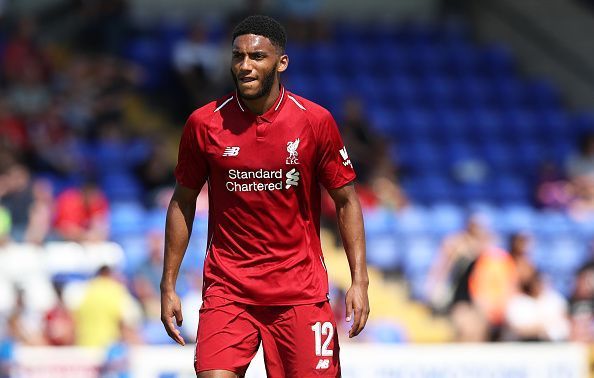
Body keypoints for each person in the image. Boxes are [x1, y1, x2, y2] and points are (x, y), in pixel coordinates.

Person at [160, 15, 369, 378]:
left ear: (281, 62)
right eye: (238, 57)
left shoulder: (314, 122)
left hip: (300, 293)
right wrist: (168, 283)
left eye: (257, 57)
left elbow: (347, 200)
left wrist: (360, 281)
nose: (245, 66)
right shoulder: (204, 124)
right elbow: (183, 200)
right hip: (229, 291)